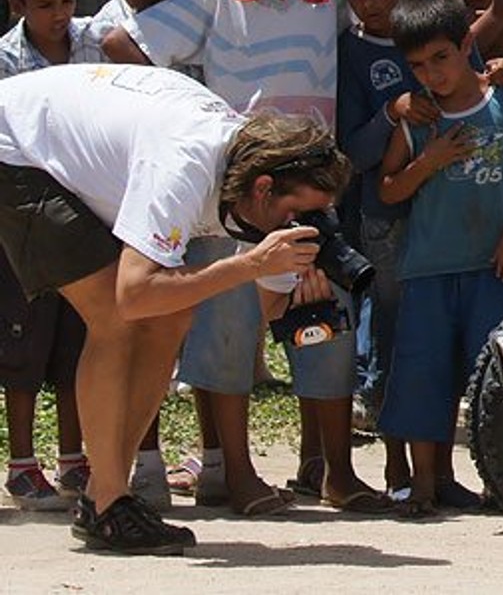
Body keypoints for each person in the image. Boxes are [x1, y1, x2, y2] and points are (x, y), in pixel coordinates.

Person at [103, 0, 383, 518]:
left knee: (325, 322)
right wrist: (181, 106)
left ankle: (333, 471)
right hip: (238, 185)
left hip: (312, 184)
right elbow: (125, 42)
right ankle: (235, 473)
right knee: (227, 328)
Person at [0, 64, 347, 552]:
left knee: (172, 316)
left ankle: (105, 497)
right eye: (297, 214)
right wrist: (248, 266)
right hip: (16, 145)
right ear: (264, 188)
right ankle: (107, 502)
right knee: (116, 318)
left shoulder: (252, 185)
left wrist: (304, 296)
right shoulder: (186, 166)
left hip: (71, 144)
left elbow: (268, 312)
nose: (302, 224)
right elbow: (134, 294)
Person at [378, 0, 503, 515]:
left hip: (493, 265)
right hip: (428, 268)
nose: (432, 75)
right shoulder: (419, 119)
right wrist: (428, 162)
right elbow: (388, 189)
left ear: (464, 45)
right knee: (423, 374)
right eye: (418, 66)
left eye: (441, 58)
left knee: (498, 379)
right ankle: (425, 484)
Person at [86, 0, 192, 504]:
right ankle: (133, 464)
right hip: (119, 195)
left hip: (181, 191)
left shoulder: (198, 8)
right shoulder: (101, 31)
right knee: (128, 323)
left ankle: (207, 459)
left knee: (181, 324)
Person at [333, 0, 432, 498]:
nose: (371, 5)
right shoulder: (348, 53)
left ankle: (434, 472)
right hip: (380, 218)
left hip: (440, 212)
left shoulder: (428, 36)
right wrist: (393, 113)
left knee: (431, 334)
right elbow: (352, 149)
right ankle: (395, 465)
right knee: (390, 332)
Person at [0, 0, 97, 512]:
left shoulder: (93, 43)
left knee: (75, 343)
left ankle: (73, 458)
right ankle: (20, 463)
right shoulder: (6, 61)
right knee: (24, 343)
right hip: (26, 220)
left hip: (87, 209)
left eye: (66, 0)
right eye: (45, 5)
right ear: (19, 6)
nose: (59, 14)